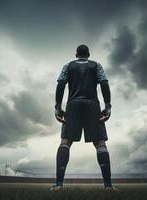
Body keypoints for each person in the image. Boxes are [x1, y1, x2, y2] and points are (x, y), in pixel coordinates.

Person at [50, 44, 115, 192]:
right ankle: (108, 186)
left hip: (73, 105)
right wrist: (108, 106)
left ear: (75, 54)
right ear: (89, 54)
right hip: (92, 105)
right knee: (100, 143)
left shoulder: (68, 66)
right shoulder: (96, 66)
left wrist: (58, 107)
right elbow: (104, 84)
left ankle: (59, 184)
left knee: (65, 141)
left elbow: (60, 85)